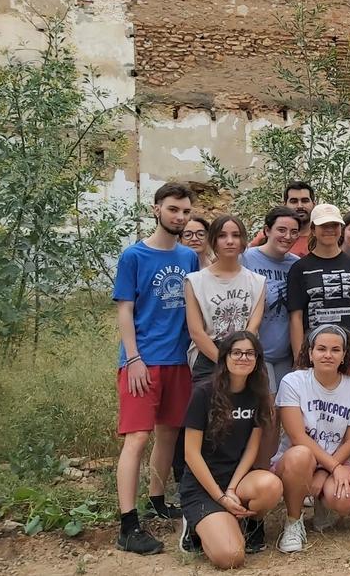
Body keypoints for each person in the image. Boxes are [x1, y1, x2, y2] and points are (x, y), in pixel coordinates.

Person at [113, 182, 200, 555]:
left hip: (178, 361)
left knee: (168, 434)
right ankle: (128, 524)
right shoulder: (134, 256)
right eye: (172, 210)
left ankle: (157, 499)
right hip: (142, 363)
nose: (179, 217)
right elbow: (125, 310)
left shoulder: (188, 258)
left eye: (184, 211)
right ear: (156, 209)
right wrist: (133, 358)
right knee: (137, 437)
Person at [178, 332, 282, 566]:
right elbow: (190, 454)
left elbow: (251, 450)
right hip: (203, 485)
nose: (243, 358)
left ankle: (243, 521)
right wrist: (221, 497)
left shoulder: (258, 395)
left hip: (237, 481)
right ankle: (195, 525)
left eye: (249, 353)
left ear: (257, 359)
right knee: (231, 557)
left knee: (271, 485)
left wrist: (232, 489)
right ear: (224, 357)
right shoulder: (203, 393)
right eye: (236, 352)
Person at [272, 325, 350, 553]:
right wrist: (333, 467)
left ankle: (323, 505)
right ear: (310, 352)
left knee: (345, 499)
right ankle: (293, 522)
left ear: (345, 355)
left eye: (335, 350)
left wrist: (327, 472)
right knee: (301, 455)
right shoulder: (293, 382)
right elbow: (297, 436)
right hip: (296, 459)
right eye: (321, 348)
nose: (328, 355)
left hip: (335, 458)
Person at [287, 204, 350, 376]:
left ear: (341, 228)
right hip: (314, 353)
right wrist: (298, 358)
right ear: (313, 229)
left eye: (334, 225)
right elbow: (296, 316)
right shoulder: (300, 268)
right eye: (324, 225)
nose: (330, 230)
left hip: (347, 352)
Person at [184, 215, 266, 383]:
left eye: (235, 235)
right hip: (208, 357)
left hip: (246, 356)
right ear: (213, 241)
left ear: (243, 241)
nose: (230, 241)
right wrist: (225, 362)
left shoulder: (257, 281)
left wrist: (239, 358)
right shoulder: (195, 281)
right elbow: (196, 332)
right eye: (222, 236)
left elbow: (253, 326)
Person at [241, 207, 301, 394]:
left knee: (284, 409)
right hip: (257, 351)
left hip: (285, 354)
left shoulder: (296, 264)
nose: (288, 236)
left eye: (293, 232)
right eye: (281, 230)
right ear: (267, 231)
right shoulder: (246, 259)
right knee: (267, 408)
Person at [250, 181, 315, 257]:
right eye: (294, 201)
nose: (300, 206)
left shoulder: (320, 237)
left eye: (305, 201)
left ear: (314, 204)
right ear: (285, 205)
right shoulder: (269, 235)